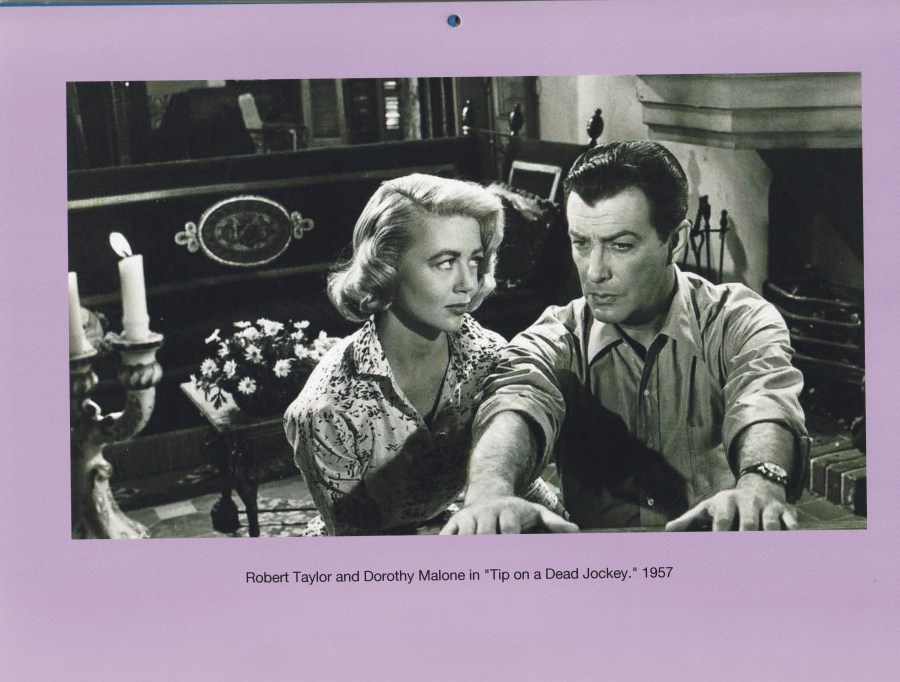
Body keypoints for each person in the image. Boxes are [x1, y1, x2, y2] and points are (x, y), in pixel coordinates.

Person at [440, 141, 809, 534]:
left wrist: (760, 484)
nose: (594, 271)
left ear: (676, 242)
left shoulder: (738, 319)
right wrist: (490, 490)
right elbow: (516, 400)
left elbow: (763, 400)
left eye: (621, 246)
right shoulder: (556, 337)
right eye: (581, 243)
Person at [284, 173, 564, 535]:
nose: (468, 283)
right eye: (445, 262)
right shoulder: (326, 407)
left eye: (475, 260)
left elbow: (512, 478)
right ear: (387, 267)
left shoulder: (489, 356)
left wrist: (576, 529)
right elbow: (356, 544)